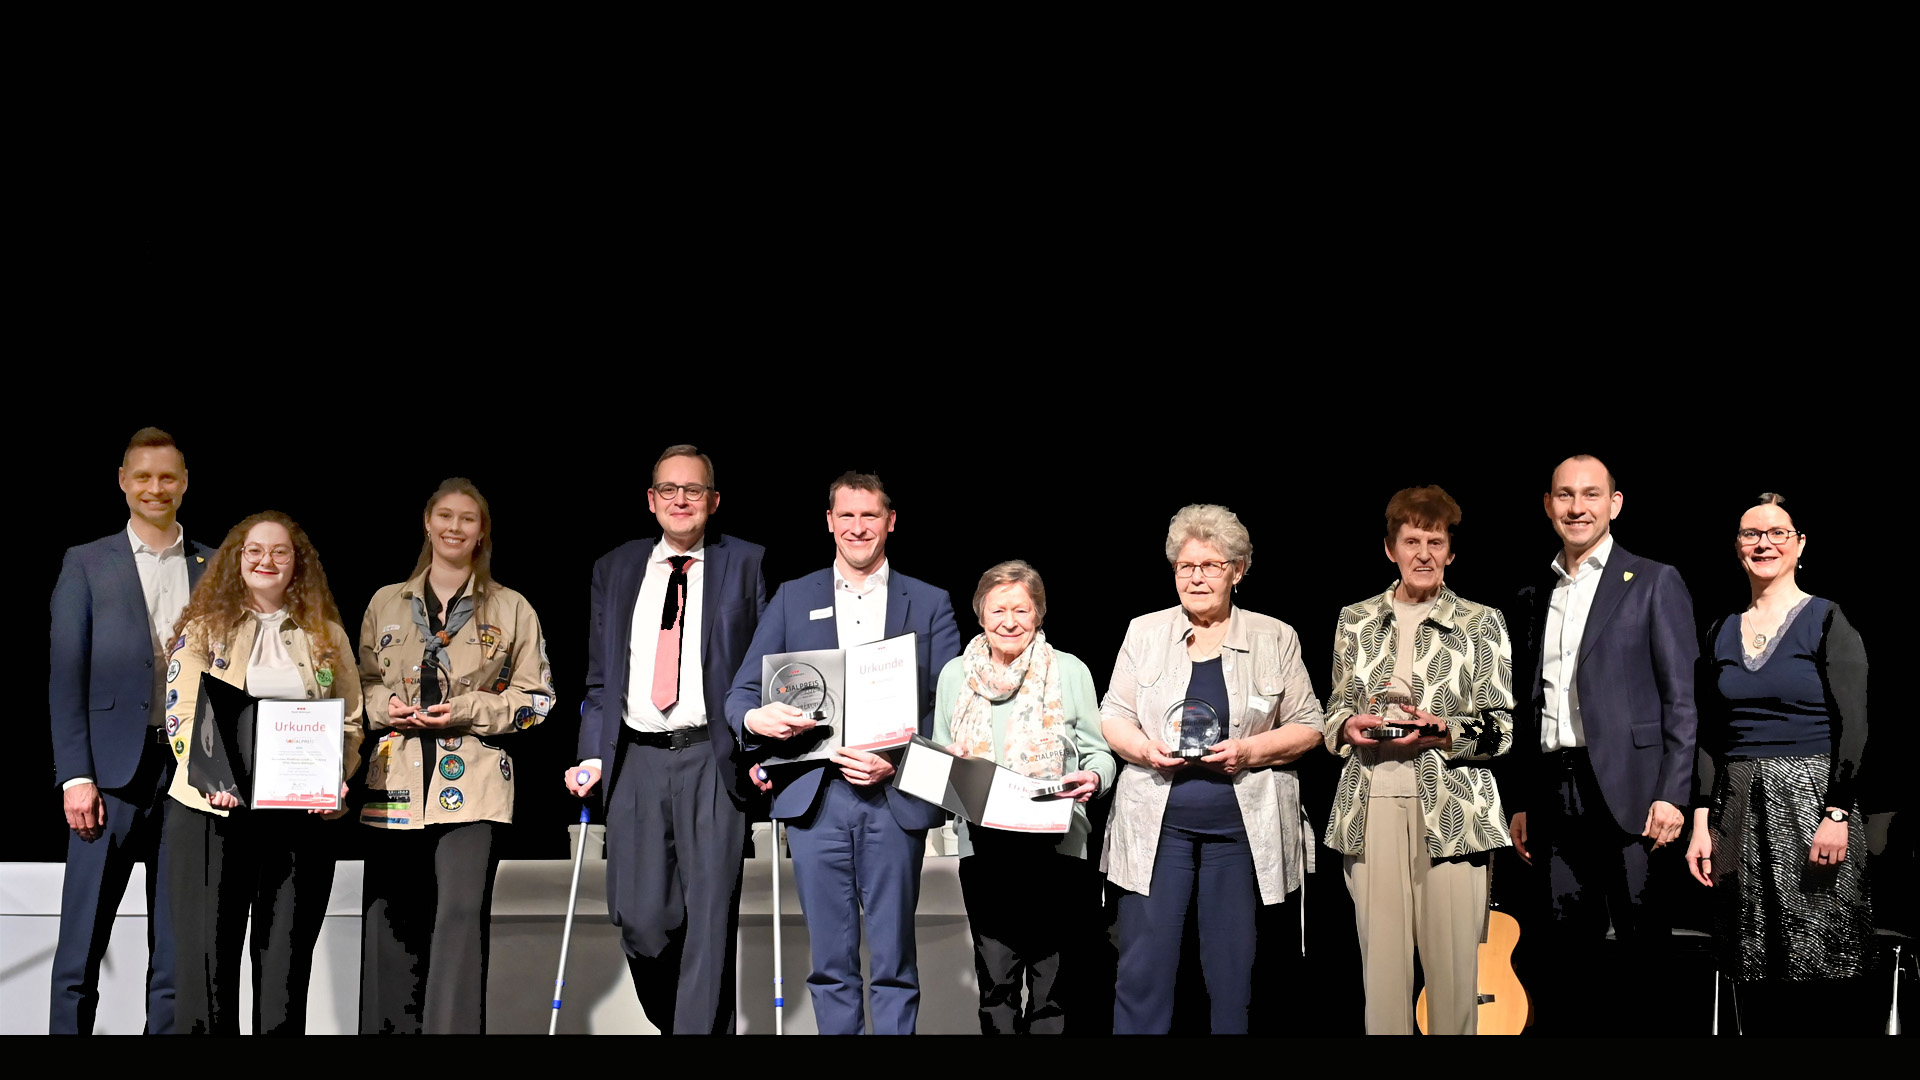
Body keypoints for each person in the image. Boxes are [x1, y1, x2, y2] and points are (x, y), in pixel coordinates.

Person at [727, 471, 962, 1035]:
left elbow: (951, 709)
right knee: (830, 965)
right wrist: (755, 719)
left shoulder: (929, 602)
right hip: (818, 798)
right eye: (847, 516)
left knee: (894, 964)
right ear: (829, 522)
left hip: (893, 796)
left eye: (870, 516)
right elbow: (741, 695)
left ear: (891, 522)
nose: (858, 528)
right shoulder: (793, 596)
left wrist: (898, 760)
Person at [1099, 504, 1324, 1035]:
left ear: (1238, 571)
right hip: (1158, 827)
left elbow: (1310, 726)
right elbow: (1113, 715)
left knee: (1233, 979)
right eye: (1185, 566)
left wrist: (1247, 752)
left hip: (1239, 832)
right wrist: (1144, 750)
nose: (1196, 576)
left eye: (1211, 565)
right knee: (1142, 972)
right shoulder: (1144, 632)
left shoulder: (1275, 637)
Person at [567, 445, 767, 1035]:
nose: (682, 500)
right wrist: (588, 754)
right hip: (635, 759)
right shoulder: (616, 568)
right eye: (670, 490)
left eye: (695, 490)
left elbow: (764, 668)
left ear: (714, 500)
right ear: (651, 501)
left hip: (714, 755)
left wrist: (764, 755)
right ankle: (685, 1025)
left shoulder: (747, 563)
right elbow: (601, 679)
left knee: (710, 921)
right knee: (641, 921)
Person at [356, 478, 556, 1034]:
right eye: (445, 515)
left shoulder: (513, 608)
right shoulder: (385, 601)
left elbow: (537, 702)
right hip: (394, 781)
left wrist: (468, 708)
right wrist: (385, 706)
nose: (454, 527)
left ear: (481, 531)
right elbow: (358, 688)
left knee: (460, 922)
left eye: (467, 519)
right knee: (392, 920)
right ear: (427, 523)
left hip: (473, 785)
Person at [1507, 454, 1698, 1034]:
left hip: (1634, 792)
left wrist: (1674, 794)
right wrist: (1521, 799)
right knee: (1567, 949)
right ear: (1548, 506)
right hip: (1555, 788)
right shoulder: (1534, 592)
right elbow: (1526, 703)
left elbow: (1682, 701)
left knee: (1644, 948)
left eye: (1591, 494)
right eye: (1565, 495)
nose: (1577, 507)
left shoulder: (1654, 580)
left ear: (1614, 504)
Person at [1321, 486, 1514, 1035]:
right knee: (1381, 980)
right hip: (1370, 809)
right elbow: (1334, 710)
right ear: (1391, 549)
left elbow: (1501, 727)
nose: (1424, 553)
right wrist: (1346, 727)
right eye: (1412, 541)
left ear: (1451, 551)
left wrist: (1442, 730)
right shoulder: (1354, 620)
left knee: (1454, 984)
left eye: (1436, 541)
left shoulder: (1481, 622)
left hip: (1453, 816)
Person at [163, 511, 364, 1034]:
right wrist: (213, 779)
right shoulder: (204, 630)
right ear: (237, 560)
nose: (266, 561)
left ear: (297, 564)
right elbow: (180, 712)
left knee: (285, 973)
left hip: (297, 821)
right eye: (254, 551)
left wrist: (335, 778)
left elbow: (350, 721)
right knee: (208, 973)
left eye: (279, 551)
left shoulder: (327, 637)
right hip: (213, 815)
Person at [1684, 494, 1873, 1031]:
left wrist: (1836, 813)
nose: (1762, 543)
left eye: (1776, 533)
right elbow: (1708, 733)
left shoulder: (1826, 619)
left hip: (1812, 797)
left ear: (1800, 544)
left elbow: (1854, 727)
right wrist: (1701, 819)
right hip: (1738, 803)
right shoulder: (1720, 629)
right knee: (1750, 961)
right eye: (1750, 534)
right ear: (1737, 546)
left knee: (1822, 957)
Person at [48, 428, 212, 1034]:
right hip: (109, 777)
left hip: (187, 774)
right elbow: (66, 677)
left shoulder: (215, 565)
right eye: (143, 477)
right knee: (81, 945)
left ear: (185, 482)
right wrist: (76, 777)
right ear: (123, 481)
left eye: (167, 477)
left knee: (175, 949)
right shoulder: (87, 563)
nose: (155, 488)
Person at [933, 560, 1115, 1034]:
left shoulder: (1070, 670)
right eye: (998, 610)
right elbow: (939, 758)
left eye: (1021, 609)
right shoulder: (955, 676)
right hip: (984, 848)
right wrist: (945, 764)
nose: (1009, 621)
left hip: (1056, 846)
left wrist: (1093, 779)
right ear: (980, 614)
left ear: (1038, 615)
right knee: (995, 984)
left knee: (1053, 987)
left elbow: (1100, 754)